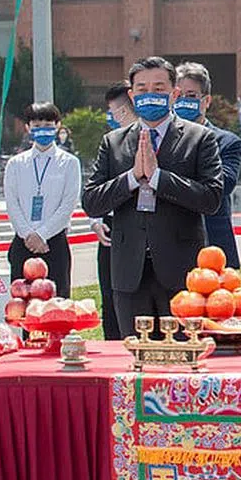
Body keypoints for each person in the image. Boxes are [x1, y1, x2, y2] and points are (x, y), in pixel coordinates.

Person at [81, 57, 223, 335]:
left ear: (174, 93)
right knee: (135, 352)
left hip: (180, 271)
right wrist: (132, 178)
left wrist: (159, 178)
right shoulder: (114, 142)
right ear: (132, 95)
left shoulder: (200, 138)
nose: (150, 95)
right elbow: (92, 201)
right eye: (142, 89)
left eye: (158, 89)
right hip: (129, 272)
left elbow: (211, 198)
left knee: (182, 352)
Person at [3, 103, 81, 296]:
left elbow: (68, 204)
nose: (42, 130)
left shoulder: (69, 163)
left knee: (57, 302)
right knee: (22, 303)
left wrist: (42, 234)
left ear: (57, 126)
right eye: (37, 126)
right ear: (28, 127)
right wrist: (28, 235)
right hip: (23, 241)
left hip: (54, 242)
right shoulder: (15, 164)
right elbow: (12, 203)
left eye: (48, 125)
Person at [174, 62, 241, 269]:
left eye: (191, 96)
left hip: (213, 245)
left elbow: (223, 184)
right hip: (169, 246)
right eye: (178, 96)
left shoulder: (227, 142)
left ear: (206, 101)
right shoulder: (158, 140)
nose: (184, 101)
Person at [92, 82, 135, 339]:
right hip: (111, 231)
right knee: (110, 300)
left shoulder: (155, 140)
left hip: (142, 230)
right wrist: (96, 221)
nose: (111, 117)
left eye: (113, 111)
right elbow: (95, 190)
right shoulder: (111, 144)